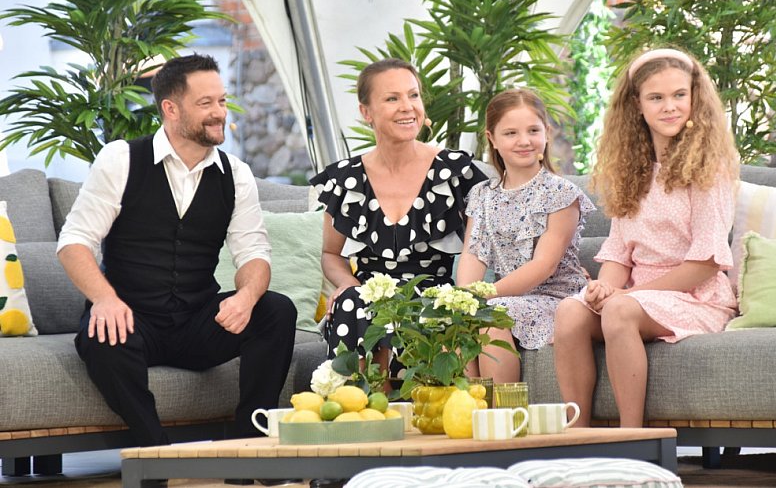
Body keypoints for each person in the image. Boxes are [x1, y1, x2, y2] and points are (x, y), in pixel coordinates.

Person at [58, 54, 297, 447]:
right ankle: (155, 451)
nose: (219, 112)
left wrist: (246, 298)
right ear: (170, 109)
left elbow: (254, 251)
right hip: (131, 319)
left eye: (221, 101)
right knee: (101, 340)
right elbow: (74, 242)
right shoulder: (121, 159)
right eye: (206, 103)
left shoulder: (236, 174)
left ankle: (248, 448)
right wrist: (104, 299)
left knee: (276, 310)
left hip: (196, 322)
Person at [552, 48, 740, 428]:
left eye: (679, 95)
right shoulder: (631, 170)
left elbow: (706, 263)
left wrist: (626, 296)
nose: (670, 106)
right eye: (656, 97)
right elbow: (619, 253)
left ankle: (632, 437)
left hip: (697, 297)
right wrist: (603, 289)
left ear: (694, 97)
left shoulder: (709, 168)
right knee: (570, 311)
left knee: (619, 310)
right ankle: (577, 435)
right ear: (637, 104)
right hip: (639, 298)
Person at [310, 58, 487, 374]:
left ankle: (416, 396)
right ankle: (358, 401)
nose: (407, 107)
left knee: (435, 309)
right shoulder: (345, 179)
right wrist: (348, 283)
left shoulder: (455, 172)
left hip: (434, 295)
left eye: (413, 95)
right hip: (367, 298)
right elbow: (330, 253)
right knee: (351, 301)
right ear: (366, 112)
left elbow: (482, 247)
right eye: (392, 98)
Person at [456, 89, 594, 384]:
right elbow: (473, 253)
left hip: (558, 301)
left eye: (533, 130)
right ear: (492, 138)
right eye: (511, 133)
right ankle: (469, 406)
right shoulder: (482, 194)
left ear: (547, 133)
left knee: (492, 315)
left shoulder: (561, 193)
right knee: (454, 319)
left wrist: (483, 295)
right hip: (505, 296)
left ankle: (501, 409)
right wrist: (464, 297)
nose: (524, 141)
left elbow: (544, 265)